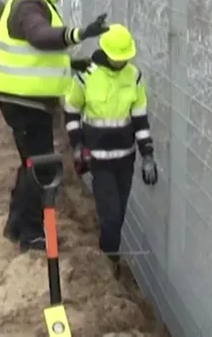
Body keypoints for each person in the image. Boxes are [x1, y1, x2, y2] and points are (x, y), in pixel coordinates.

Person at [0, 0, 108, 252]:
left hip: (25, 98)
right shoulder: (29, 4)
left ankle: (17, 226)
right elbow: (39, 36)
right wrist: (79, 34)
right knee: (40, 167)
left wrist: (72, 63)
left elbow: (36, 51)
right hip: (22, 99)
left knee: (32, 163)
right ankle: (31, 233)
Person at [63, 23, 158, 278]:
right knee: (111, 217)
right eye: (117, 59)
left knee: (119, 214)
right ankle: (109, 263)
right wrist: (78, 145)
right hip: (99, 161)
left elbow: (140, 119)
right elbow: (71, 111)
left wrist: (147, 155)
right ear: (106, 52)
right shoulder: (86, 75)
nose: (120, 63)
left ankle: (109, 256)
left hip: (125, 160)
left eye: (124, 59)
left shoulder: (134, 77)